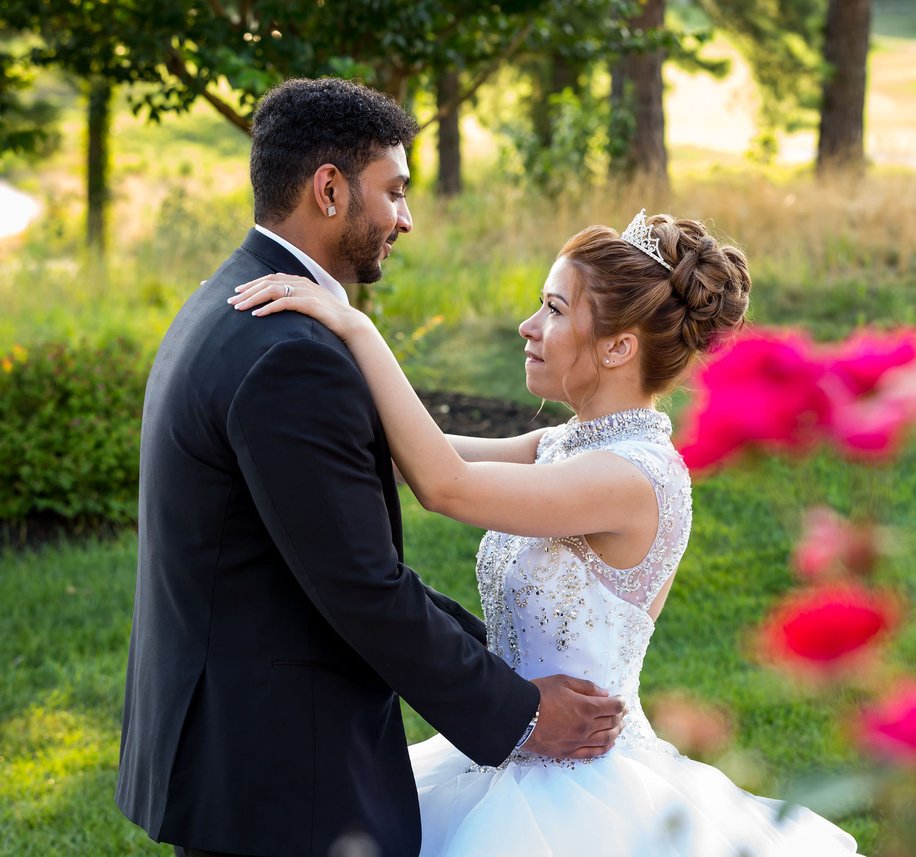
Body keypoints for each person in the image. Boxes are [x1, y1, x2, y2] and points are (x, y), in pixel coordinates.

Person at [230, 209, 861, 856]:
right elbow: (404, 451)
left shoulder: (633, 476)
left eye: (555, 309)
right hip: (507, 741)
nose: (529, 327)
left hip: (577, 779)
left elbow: (444, 484)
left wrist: (358, 329)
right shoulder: (561, 445)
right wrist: (294, 393)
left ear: (619, 346)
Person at [116, 77, 623, 857]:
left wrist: (497, 657)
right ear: (328, 189)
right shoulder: (290, 354)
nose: (407, 219)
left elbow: (331, 558)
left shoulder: (226, 304)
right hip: (285, 777)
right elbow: (361, 586)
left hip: (239, 754)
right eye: (394, 191)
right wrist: (523, 709)